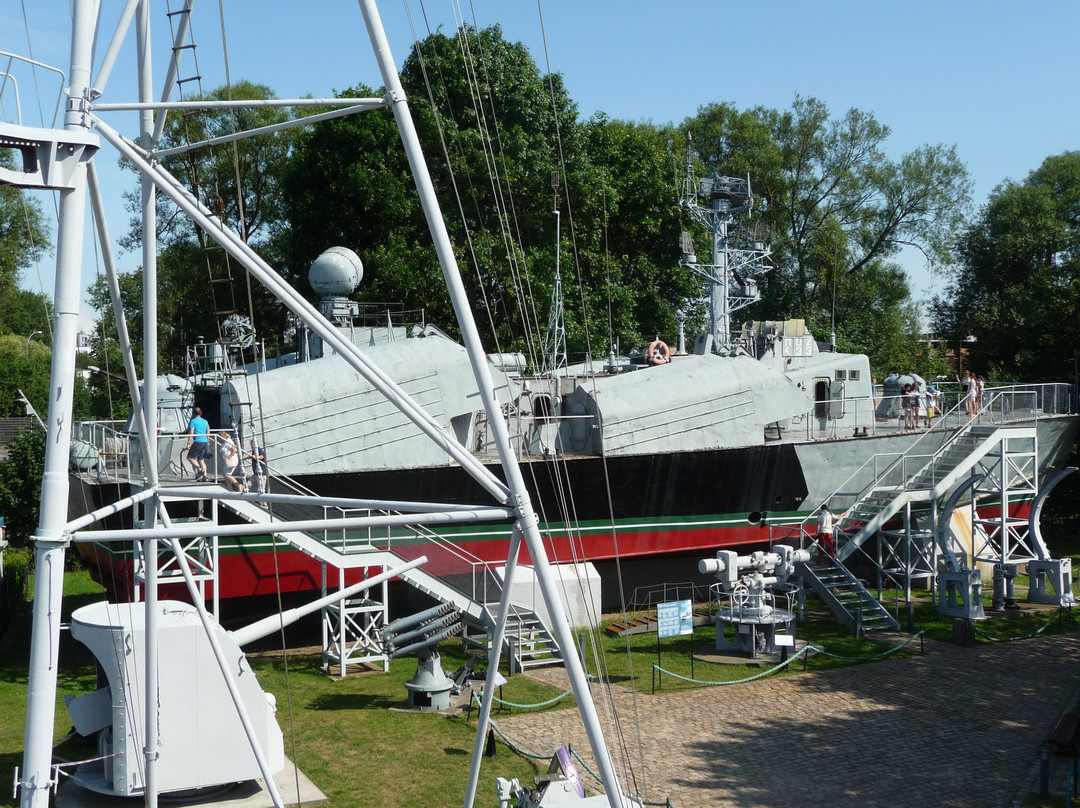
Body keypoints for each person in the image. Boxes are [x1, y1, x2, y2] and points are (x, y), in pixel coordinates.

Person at [185, 406, 210, 481]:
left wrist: (188, 443)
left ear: (193, 413)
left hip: (198, 441)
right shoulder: (205, 421)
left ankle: (200, 470)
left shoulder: (193, 421)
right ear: (201, 413)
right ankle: (205, 477)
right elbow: (208, 431)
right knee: (201, 459)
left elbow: (191, 432)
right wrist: (208, 441)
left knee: (190, 457)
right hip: (204, 441)